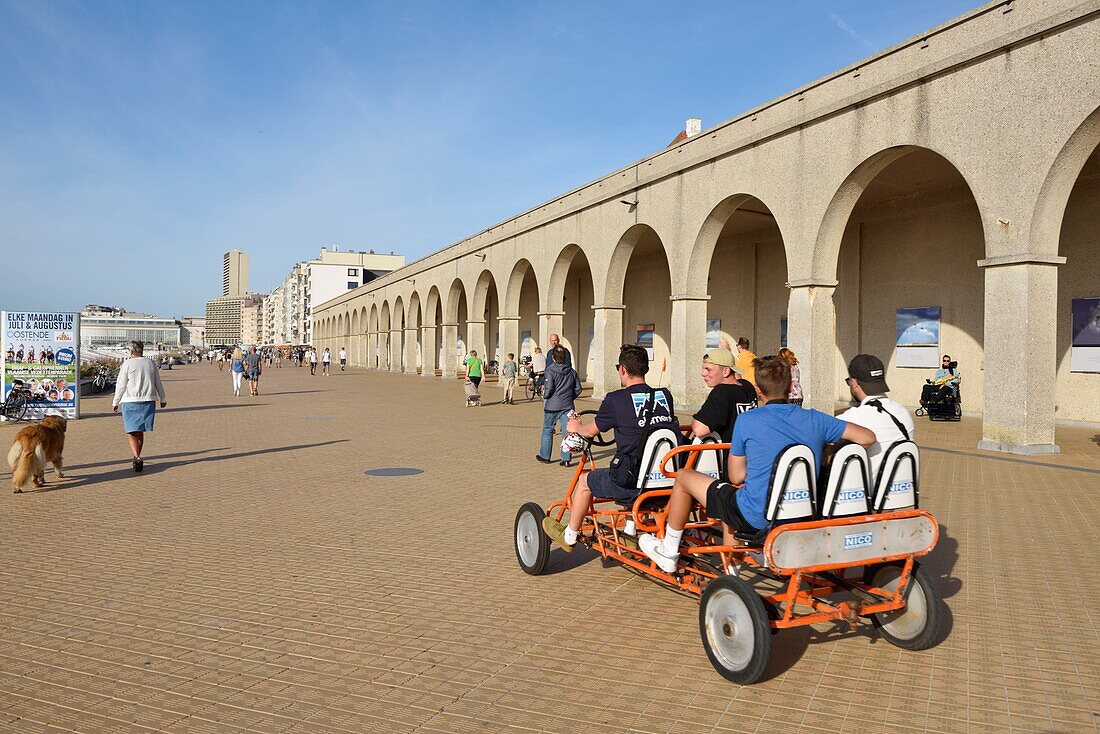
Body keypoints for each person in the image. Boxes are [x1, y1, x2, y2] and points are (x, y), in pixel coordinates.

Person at [639, 356, 874, 573]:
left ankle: (669, 550)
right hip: (803, 512)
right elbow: (867, 437)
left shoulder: (748, 421)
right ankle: (735, 567)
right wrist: (827, 450)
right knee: (733, 499)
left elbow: (736, 476)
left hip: (757, 515)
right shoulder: (816, 419)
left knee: (685, 476)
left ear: (759, 390)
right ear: (791, 386)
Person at [542, 344, 676, 551]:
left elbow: (589, 431)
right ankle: (630, 530)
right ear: (645, 369)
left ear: (623, 369)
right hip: (666, 478)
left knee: (585, 480)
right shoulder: (665, 396)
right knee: (636, 464)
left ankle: (569, 534)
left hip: (632, 482)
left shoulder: (616, 399)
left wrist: (574, 426)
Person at [838, 354, 915, 481]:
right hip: (904, 495)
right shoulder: (903, 412)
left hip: (872, 498)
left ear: (854, 382)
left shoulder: (853, 417)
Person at [111, 340, 167, 473]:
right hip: (148, 400)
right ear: (142, 350)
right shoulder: (151, 363)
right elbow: (157, 382)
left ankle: (136, 457)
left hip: (130, 400)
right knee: (140, 430)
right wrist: (163, 398)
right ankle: (137, 456)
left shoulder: (127, 364)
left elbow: (121, 385)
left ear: (131, 351)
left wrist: (115, 401)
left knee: (131, 431)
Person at [690, 348, 757, 446]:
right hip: (748, 452)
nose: (703, 374)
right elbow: (737, 379)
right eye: (703, 369)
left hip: (728, 456)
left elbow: (699, 429)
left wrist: (695, 420)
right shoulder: (747, 386)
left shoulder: (722, 392)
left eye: (708, 369)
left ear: (726, 371)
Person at [537, 347, 582, 466]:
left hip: (552, 406)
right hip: (567, 405)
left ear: (552, 357)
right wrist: (570, 397)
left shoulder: (550, 370)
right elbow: (578, 389)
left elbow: (549, 388)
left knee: (548, 429)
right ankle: (566, 459)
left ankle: (545, 456)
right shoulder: (572, 371)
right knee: (567, 431)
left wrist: (545, 395)